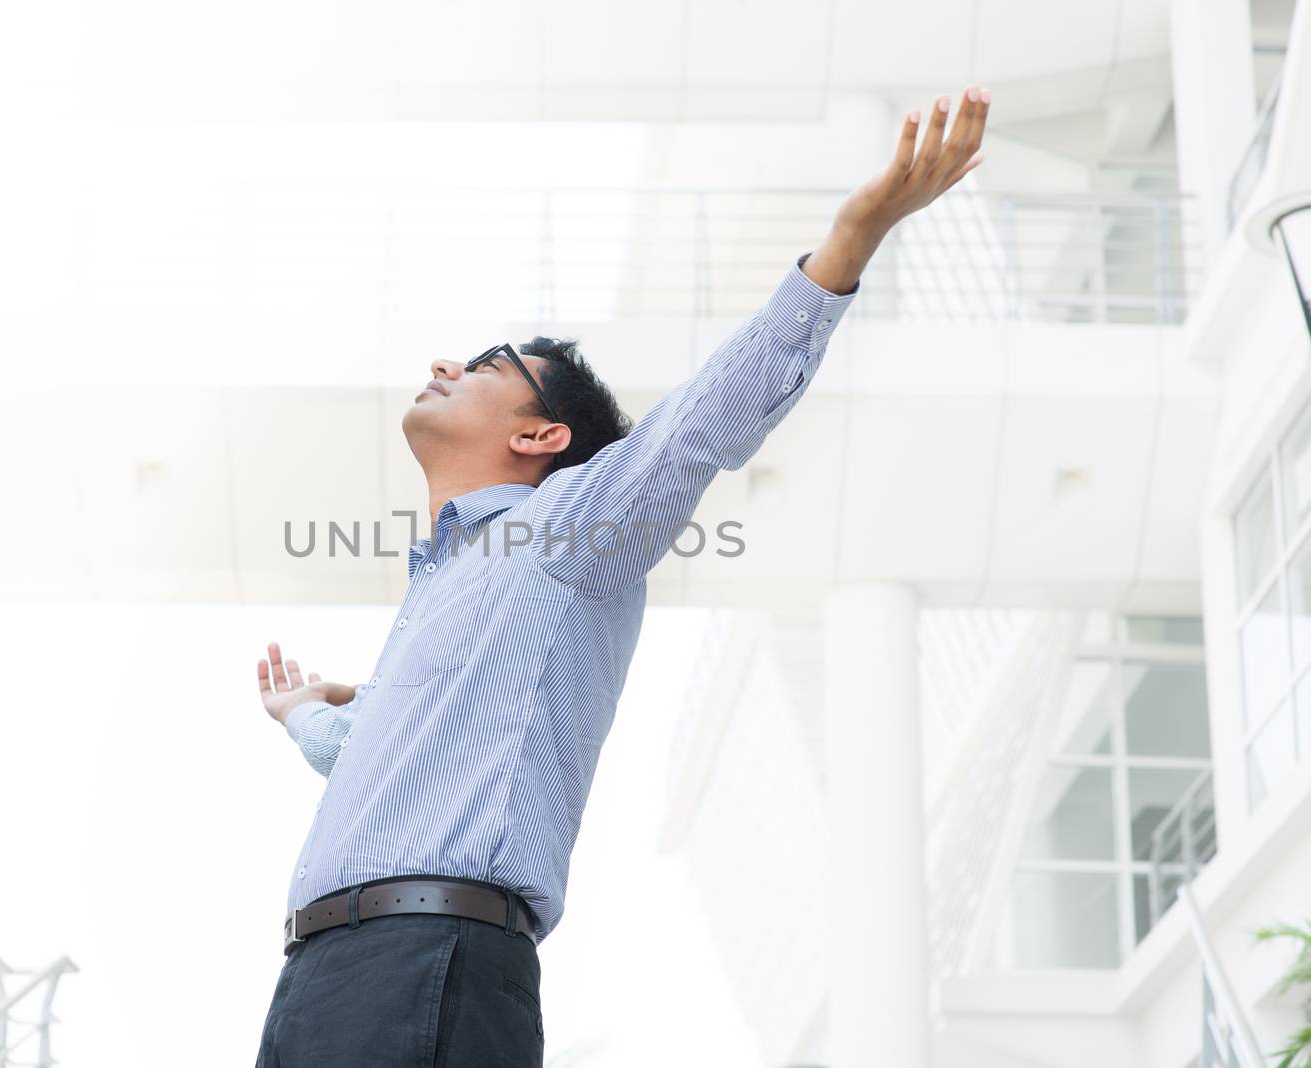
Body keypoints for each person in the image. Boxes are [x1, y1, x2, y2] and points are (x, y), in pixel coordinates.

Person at [253, 84, 991, 1067]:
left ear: (540, 435)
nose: (444, 363)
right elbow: (368, 756)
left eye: (482, 363)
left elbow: (698, 423)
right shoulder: (442, 582)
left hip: (432, 962)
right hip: (319, 976)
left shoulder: (566, 527)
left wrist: (849, 243)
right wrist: (302, 711)